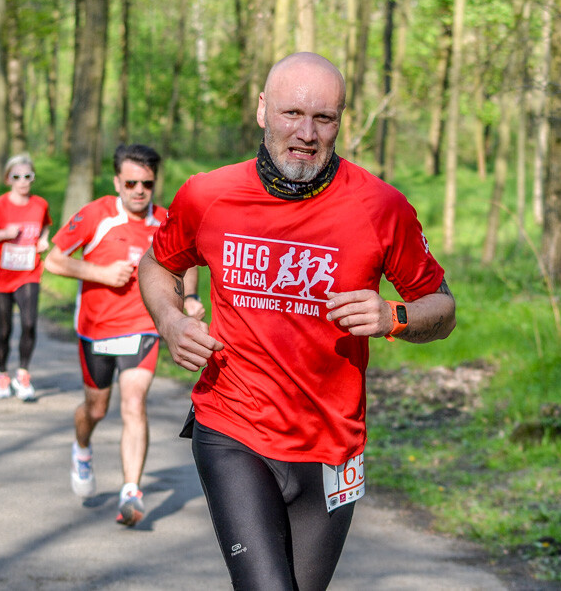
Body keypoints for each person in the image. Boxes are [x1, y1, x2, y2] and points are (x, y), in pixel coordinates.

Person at [138, 52, 457, 590]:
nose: (306, 133)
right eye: (291, 114)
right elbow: (157, 263)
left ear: (340, 121)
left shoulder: (381, 207)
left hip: (332, 445)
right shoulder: (207, 195)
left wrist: (391, 316)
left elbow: (442, 308)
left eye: (324, 118)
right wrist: (170, 322)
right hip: (232, 427)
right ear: (262, 110)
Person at [45, 144, 206, 527]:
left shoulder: (168, 220)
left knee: (134, 404)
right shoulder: (96, 215)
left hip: (143, 327)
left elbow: (189, 263)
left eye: (146, 184)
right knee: (96, 409)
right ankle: (82, 447)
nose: (138, 190)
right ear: (117, 180)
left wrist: (191, 298)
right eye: (130, 182)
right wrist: (99, 274)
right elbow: (53, 260)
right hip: (96, 330)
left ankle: (131, 491)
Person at [0, 154, 51, 402]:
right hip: (1, 276)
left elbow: (46, 226)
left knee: (29, 324)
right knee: (4, 329)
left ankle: (23, 374)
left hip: (29, 273)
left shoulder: (40, 204)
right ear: (8, 178)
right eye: (17, 176)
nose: (23, 181)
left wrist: (43, 239)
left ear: (33, 178)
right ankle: (2, 375)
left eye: (27, 176)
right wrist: (3, 234)